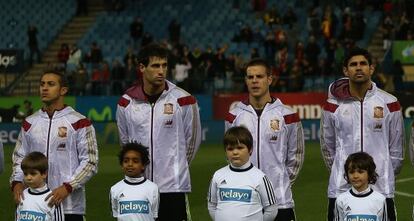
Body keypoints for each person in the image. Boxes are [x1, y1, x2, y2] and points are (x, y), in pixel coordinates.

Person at [116, 43, 201, 221]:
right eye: (155, 66)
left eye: (164, 65)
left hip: (173, 188)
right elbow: (126, 143)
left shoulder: (184, 100)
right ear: (141, 68)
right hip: (139, 186)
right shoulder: (126, 102)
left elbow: (193, 141)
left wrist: (177, 168)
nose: (161, 71)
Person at [320, 47, 404, 221]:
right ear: (345, 70)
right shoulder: (333, 105)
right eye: (353, 64)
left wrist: (384, 172)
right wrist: (343, 171)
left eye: (363, 64)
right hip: (342, 187)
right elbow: (328, 147)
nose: (358, 68)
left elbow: (396, 149)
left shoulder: (390, 103)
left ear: (371, 68)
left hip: (381, 186)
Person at [10, 70, 99, 221]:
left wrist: (68, 187)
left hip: (69, 206)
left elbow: (90, 161)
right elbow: (19, 158)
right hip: (34, 205)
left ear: (63, 90)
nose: (44, 88)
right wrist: (17, 182)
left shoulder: (79, 122)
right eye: (42, 84)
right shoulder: (30, 123)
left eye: (51, 84)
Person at [225, 58, 304, 221]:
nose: (254, 81)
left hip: (280, 201)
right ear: (246, 80)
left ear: (269, 79)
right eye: (250, 77)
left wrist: (280, 181)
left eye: (259, 76)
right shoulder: (234, 115)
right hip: (247, 202)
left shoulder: (288, 116)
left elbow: (296, 156)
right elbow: (231, 155)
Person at [207, 126, 278, 221]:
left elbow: (271, 209)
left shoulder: (260, 177)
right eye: (230, 149)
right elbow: (212, 205)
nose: (235, 152)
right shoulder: (218, 175)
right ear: (225, 151)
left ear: (250, 149)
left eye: (240, 148)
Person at [110, 143, 159, 221]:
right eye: (126, 161)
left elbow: (153, 215)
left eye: (135, 161)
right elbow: (116, 215)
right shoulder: (115, 189)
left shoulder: (153, 188)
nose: (130, 164)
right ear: (122, 165)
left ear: (143, 165)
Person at [334, 152, 388, 220]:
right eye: (351, 172)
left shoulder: (380, 199)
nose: (355, 176)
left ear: (369, 173)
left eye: (360, 172)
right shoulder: (341, 200)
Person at [15, 152, 65, 221]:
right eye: (25, 174)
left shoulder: (53, 198)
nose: (28, 177)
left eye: (33, 174)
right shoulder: (22, 195)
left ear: (44, 174)